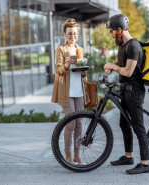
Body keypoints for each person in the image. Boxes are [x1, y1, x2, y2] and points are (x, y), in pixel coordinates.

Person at [104, 14, 149, 174]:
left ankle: (145, 164)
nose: (110, 35)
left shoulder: (133, 46)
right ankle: (128, 156)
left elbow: (128, 71)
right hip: (125, 90)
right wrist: (111, 65)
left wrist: (114, 67)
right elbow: (119, 64)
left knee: (138, 127)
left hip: (134, 91)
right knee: (124, 124)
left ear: (119, 30)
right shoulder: (122, 46)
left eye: (111, 32)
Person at [51, 18, 88, 165]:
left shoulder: (80, 49)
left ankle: (78, 155)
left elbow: (84, 75)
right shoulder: (61, 49)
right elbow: (58, 71)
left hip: (79, 91)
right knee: (70, 124)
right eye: (69, 33)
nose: (72, 36)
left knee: (79, 123)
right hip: (67, 92)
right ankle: (68, 155)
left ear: (77, 34)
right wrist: (66, 64)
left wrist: (85, 70)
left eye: (74, 33)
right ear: (65, 34)